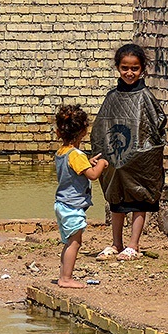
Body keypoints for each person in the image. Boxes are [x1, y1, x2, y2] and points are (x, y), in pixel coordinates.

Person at [91, 43, 167, 262]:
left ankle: (133, 245)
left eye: (134, 68)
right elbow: (101, 128)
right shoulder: (111, 97)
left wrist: (143, 152)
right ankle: (117, 243)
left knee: (138, 202)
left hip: (139, 161)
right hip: (115, 160)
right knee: (117, 203)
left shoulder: (146, 97)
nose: (129, 73)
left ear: (142, 69)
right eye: (125, 68)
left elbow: (157, 126)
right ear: (118, 68)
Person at [53, 104, 108, 288]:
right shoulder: (77, 155)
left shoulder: (62, 152)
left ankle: (63, 275)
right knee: (75, 243)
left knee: (70, 242)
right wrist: (100, 164)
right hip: (72, 206)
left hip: (61, 203)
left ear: (59, 132)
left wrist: (88, 162)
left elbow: (75, 169)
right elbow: (92, 175)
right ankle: (66, 278)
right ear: (84, 131)